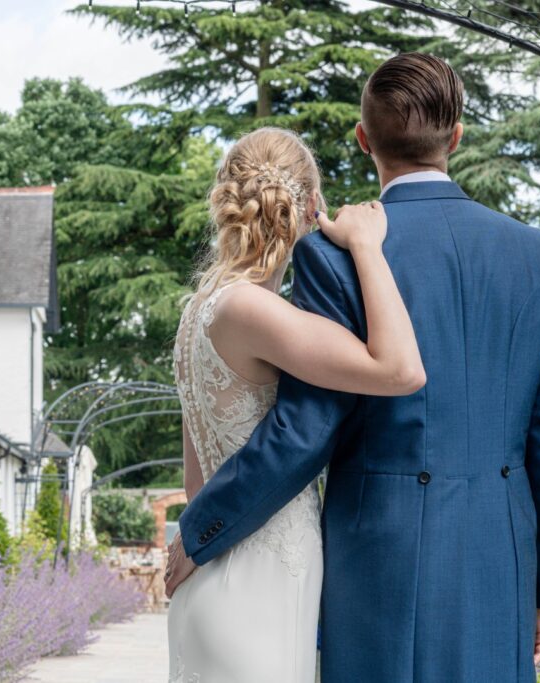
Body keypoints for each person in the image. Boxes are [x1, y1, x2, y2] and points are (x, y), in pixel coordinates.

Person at [167, 53, 540, 683]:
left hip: (376, 558)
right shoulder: (538, 255)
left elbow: (304, 430)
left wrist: (202, 528)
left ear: (363, 140)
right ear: (457, 135)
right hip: (503, 555)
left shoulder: (333, 256)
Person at [167, 125, 425, 683]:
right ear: (311, 207)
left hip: (214, 579)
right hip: (260, 586)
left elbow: (197, 485)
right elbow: (401, 370)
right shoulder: (253, 311)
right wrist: (365, 247)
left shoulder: (199, 312)